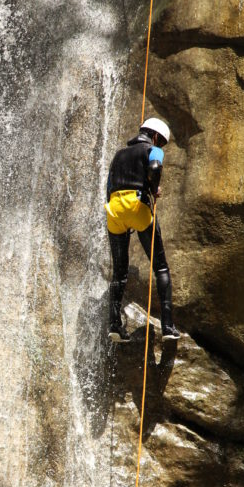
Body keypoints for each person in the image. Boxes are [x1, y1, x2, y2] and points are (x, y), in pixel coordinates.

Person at [105, 117, 180, 342]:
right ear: (155, 136)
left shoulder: (118, 155)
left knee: (120, 271)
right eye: (161, 142)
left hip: (114, 209)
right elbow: (155, 166)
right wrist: (154, 187)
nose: (161, 147)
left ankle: (115, 326)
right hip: (136, 206)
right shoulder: (153, 150)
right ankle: (168, 327)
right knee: (161, 268)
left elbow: (109, 185)